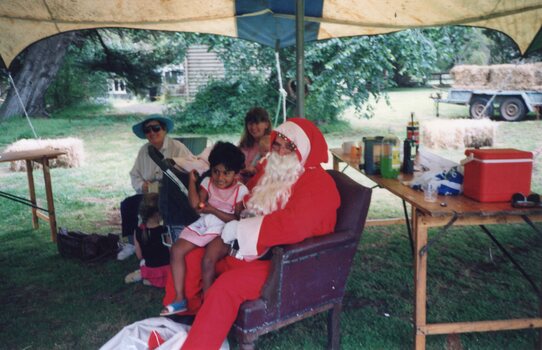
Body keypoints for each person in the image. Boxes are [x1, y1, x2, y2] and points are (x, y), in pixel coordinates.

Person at [161, 118, 341, 349]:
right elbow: (250, 195)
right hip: (247, 248)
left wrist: (241, 228)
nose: (281, 150)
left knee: (226, 287)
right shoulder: (270, 168)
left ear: (303, 151)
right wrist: (237, 207)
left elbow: (292, 225)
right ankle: (183, 320)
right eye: (278, 144)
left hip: (285, 261)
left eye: (290, 147)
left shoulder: (317, 183)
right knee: (191, 256)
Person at [161, 142, 248, 316]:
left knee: (208, 260)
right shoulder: (208, 182)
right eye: (216, 171)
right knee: (176, 250)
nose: (220, 177)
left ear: (236, 174)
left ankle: (209, 304)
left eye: (226, 173)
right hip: (205, 222)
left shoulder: (240, 190)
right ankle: (179, 299)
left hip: (225, 227)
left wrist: (213, 210)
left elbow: (237, 218)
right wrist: (192, 183)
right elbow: (195, 205)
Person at [119, 115, 193, 260]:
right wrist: (142, 185)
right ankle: (133, 243)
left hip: (172, 195)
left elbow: (190, 171)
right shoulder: (144, 150)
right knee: (128, 204)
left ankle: (161, 244)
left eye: (156, 128)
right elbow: (135, 175)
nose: (152, 133)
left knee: (160, 206)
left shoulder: (177, 148)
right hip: (150, 192)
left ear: (164, 130)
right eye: (147, 130)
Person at [124, 193, 170, 288]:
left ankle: (146, 277)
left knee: (143, 263)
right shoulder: (165, 230)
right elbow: (171, 252)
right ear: (159, 213)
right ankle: (152, 279)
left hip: (150, 268)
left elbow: (140, 256)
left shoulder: (138, 231)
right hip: (167, 270)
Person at [238, 107, 271, 182]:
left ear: (266, 124)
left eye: (256, 123)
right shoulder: (244, 144)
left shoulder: (272, 145)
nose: (253, 127)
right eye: (250, 124)